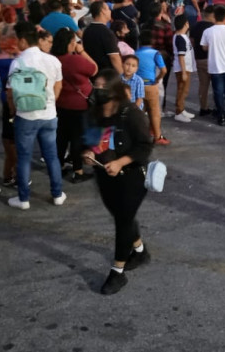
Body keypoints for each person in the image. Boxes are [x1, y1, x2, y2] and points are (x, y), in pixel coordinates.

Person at [82, 69, 154, 295]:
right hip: (105, 176)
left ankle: (117, 272)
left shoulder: (130, 113)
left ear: (114, 89)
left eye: (103, 87)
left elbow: (145, 146)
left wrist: (121, 162)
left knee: (123, 219)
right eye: (96, 86)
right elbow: (89, 140)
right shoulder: (94, 113)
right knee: (122, 216)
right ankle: (140, 251)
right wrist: (88, 153)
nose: (97, 91)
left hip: (131, 176)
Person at [8, 24, 64, 210]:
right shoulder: (53, 60)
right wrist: (50, 103)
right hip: (49, 114)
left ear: (23, 41)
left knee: (23, 157)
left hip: (25, 115)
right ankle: (57, 194)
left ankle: (23, 199)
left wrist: (12, 111)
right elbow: (58, 86)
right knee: (51, 156)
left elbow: (10, 92)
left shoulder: (17, 63)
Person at [51, 28, 97, 183]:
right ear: (71, 44)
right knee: (77, 138)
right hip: (79, 104)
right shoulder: (75, 60)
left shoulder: (52, 59)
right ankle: (78, 170)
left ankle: (59, 165)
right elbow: (94, 68)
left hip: (59, 102)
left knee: (61, 136)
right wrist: (81, 50)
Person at [201, 6, 225, 126]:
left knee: (218, 92)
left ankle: (222, 116)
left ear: (214, 17)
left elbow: (204, 47)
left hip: (215, 66)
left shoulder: (208, 31)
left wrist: (213, 48)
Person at [135, 30, 169, 144]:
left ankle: (137, 135)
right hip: (150, 85)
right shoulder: (155, 53)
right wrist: (158, 79)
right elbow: (164, 70)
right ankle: (157, 136)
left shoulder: (135, 53)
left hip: (138, 86)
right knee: (154, 111)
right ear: (153, 41)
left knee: (139, 112)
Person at [83, 1, 122, 72]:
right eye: (108, 9)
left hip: (93, 73)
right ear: (102, 11)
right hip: (107, 75)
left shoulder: (87, 31)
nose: (110, 11)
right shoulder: (106, 32)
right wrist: (123, 76)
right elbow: (114, 57)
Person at [171, 16, 196, 123]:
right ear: (185, 24)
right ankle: (178, 112)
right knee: (182, 90)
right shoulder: (180, 38)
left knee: (184, 90)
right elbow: (181, 56)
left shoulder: (182, 36)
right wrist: (184, 72)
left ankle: (182, 109)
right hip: (183, 69)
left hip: (186, 68)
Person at [191, 5, 215, 116]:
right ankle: (218, 107)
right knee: (216, 85)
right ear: (213, 15)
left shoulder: (195, 26)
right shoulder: (213, 28)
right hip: (213, 59)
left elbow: (192, 41)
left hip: (199, 58)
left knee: (203, 85)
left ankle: (203, 107)